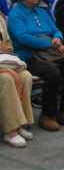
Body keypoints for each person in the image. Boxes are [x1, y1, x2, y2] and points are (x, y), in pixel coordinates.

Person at [8, 0, 64, 131]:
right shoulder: (16, 14)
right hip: (29, 56)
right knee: (53, 73)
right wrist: (50, 43)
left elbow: (56, 29)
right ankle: (47, 115)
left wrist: (57, 38)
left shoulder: (42, 12)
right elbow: (22, 37)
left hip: (49, 55)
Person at [0, 14, 34, 147]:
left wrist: (8, 48)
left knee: (25, 76)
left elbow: (8, 41)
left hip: (2, 61)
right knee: (6, 79)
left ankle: (20, 123)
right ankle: (10, 130)